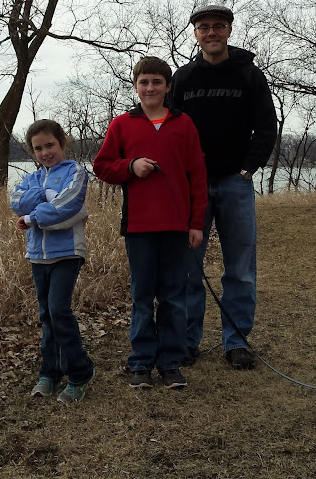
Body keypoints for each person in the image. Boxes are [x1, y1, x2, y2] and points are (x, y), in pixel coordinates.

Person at [170, 5, 277, 370]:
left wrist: (248, 169)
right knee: (188, 268)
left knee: (240, 268)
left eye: (218, 26)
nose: (211, 32)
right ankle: (186, 341)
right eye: (204, 27)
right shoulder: (183, 79)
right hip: (192, 186)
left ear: (229, 30)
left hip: (235, 183)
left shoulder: (249, 75)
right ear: (196, 34)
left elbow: (266, 127)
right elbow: (167, 128)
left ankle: (237, 342)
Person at [93, 56, 208, 390]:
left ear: (168, 86)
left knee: (173, 296)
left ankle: (170, 362)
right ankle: (141, 362)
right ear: (136, 86)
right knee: (142, 296)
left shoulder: (183, 124)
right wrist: (130, 167)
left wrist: (196, 222)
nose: (150, 88)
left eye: (157, 82)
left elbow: (197, 176)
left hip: (176, 227)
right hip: (139, 228)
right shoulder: (122, 124)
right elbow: (102, 166)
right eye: (144, 82)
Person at [10, 119, 94, 403]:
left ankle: (80, 373)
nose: (45, 152)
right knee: (46, 315)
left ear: (62, 143)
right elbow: (17, 202)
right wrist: (46, 196)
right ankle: (50, 372)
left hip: (68, 253)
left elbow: (68, 204)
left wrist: (34, 217)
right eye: (38, 148)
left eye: (50, 145)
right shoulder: (32, 178)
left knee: (59, 310)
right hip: (38, 255)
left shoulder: (75, 171)